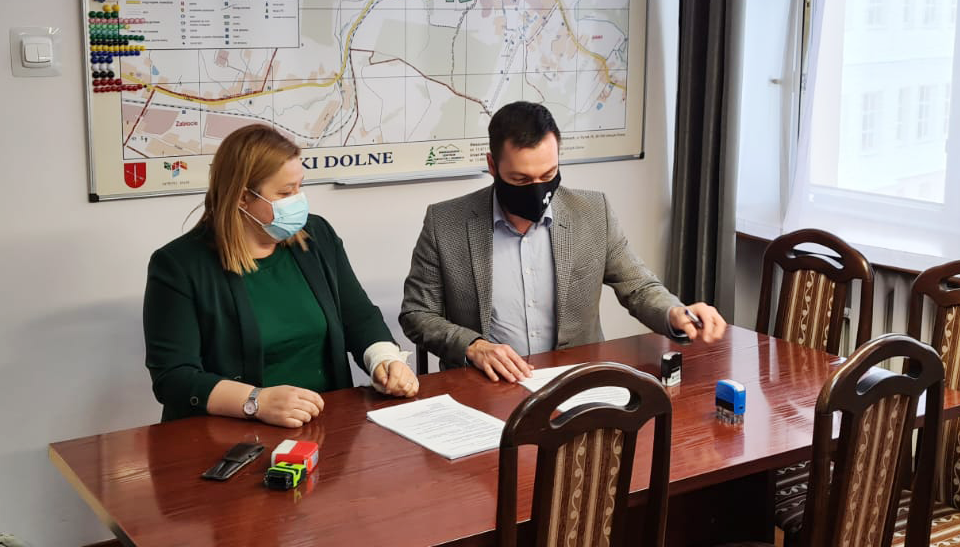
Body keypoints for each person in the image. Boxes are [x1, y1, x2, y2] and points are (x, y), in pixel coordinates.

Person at [400, 101, 726, 382]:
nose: (537, 189)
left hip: (576, 384)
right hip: (484, 387)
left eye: (548, 175)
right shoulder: (446, 223)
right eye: (520, 179)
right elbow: (417, 313)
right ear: (492, 166)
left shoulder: (592, 213)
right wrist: (473, 346)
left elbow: (638, 286)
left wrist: (675, 313)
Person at [143, 124, 418, 427]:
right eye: (286, 192)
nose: (298, 200)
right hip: (232, 433)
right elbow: (174, 377)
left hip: (325, 423)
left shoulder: (317, 236)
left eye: (300, 187)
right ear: (242, 197)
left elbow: (359, 317)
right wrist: (256, 401)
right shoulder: (178, 265)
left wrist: (384, 359)